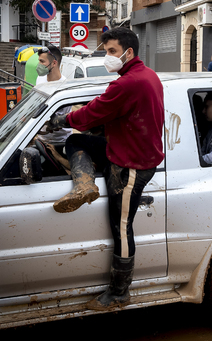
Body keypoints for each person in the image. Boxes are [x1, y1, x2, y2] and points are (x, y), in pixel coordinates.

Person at [46, 27, 164, 311]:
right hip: (121, 149)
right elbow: (113, 111)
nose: (107, 57)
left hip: (131, 165)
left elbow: (93, 112)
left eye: (112, 52)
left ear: (129, 52)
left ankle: (120, 292)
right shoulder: (145, 76)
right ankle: (85, 183)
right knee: (76, 141)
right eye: (106, 51)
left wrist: (63, 119)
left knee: (121, 228)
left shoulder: (126, 84)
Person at [35, 45, 71, 146]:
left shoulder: (64, 86)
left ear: (54, 63)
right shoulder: (40, 79)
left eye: (42, 61)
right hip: (41, 139)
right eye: (39, 61)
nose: (39, 65)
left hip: (59, 142)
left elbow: (58, 117)